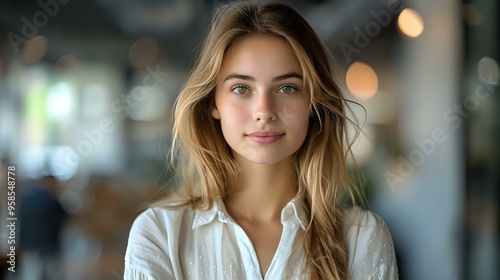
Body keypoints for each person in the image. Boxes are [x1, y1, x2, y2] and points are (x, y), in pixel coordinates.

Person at [124, 2, 398, 279]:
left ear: (314, 104)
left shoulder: (362, 238)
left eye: (287, 88)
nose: (264, 112)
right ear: (213, 103)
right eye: (241, 88)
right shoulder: (160, 233)